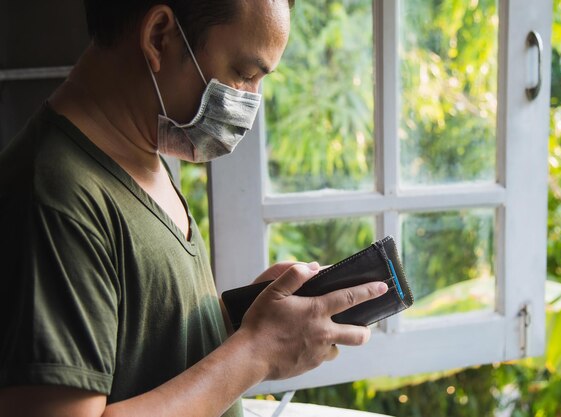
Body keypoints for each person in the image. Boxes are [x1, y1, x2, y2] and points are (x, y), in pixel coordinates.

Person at [0, 0, 388, 416]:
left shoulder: (139, 150)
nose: (251, 102)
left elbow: (140, 346)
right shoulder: (55, 198)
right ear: (159, 36)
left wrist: (239, 321)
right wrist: (255, 353)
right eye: (244, 73)